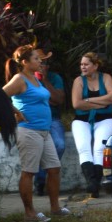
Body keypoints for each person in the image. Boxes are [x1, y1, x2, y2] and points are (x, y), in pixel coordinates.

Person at [1, 44, 71, 222]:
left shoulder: (35, 78)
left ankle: (55, 208)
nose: (40, 61)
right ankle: (30, 213)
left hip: (44, 131)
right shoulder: (19, 79)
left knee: (54, 169)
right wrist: (16, 112)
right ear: (25, 62)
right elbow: (0, 95)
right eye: (36, 58)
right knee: (29, 172)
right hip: (29, 131)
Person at [70, 52, 112, 198]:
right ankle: (93, 183)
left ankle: (93, 185)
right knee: (83, 148)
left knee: (99, 149)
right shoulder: (79, 81)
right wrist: (102, 102)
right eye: (81, 64)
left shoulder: (106, 78)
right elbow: (76, 104)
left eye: (86, 64)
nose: (83, 67)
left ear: (95, 66)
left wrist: (88, 100)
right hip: (82, 120)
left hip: (105, 118)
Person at [32, 48, 66, 196]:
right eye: (39, 61)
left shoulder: (54, 78)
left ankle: (43, 176)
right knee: (38, 147)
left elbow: (58, 100)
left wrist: (45, 80)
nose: (42, 65)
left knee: (60, 144)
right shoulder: (27, 79)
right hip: (35, 120)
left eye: (44, 62)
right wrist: (49, 99)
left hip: (53, 119)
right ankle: (40, 181)